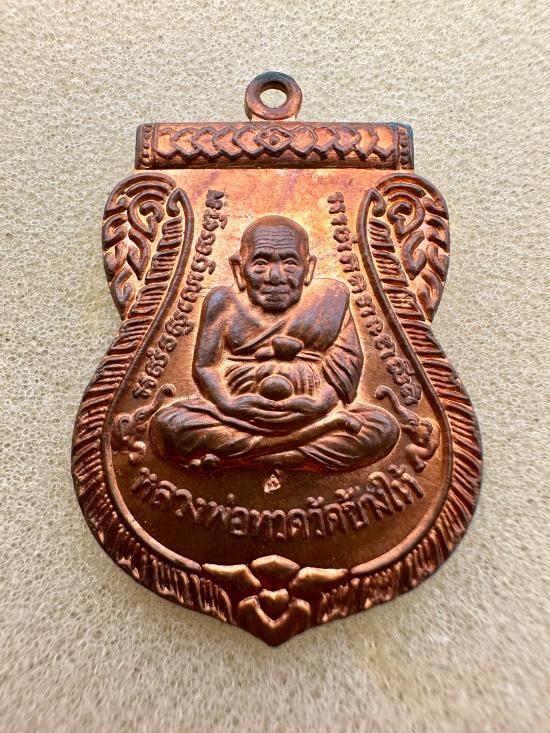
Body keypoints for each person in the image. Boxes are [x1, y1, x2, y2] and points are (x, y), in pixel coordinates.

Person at [149, 215, 399, 473]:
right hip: (237, 416)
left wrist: (320, 405)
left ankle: (243, 459)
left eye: (290, 263)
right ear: (239, 268)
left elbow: (347, 363)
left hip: (311, 415)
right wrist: (228, 403)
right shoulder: (222, 302)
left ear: (309, 267)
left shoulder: (332, 299)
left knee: (381, 428)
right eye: (261, 263)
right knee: (168, 427)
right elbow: (205, 367)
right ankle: (293, 453)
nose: (276, 276)